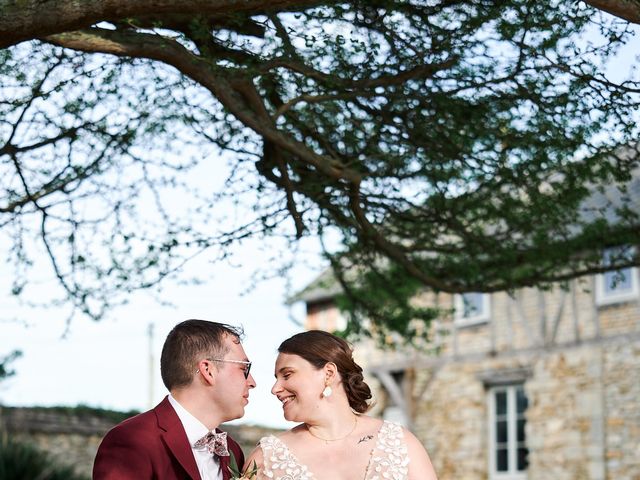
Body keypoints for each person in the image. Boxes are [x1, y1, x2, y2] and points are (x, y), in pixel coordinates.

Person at [243, 330, 437, 480]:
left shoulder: (400, 443)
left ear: (328, 374)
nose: (275, 388)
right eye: (277, 378)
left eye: (287, 375)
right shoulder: (266, 459)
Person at [93, 319, 256, 480]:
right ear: (208, 370)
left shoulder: (232, 451)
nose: (252, 382)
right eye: (244, 368)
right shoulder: (132, 440)